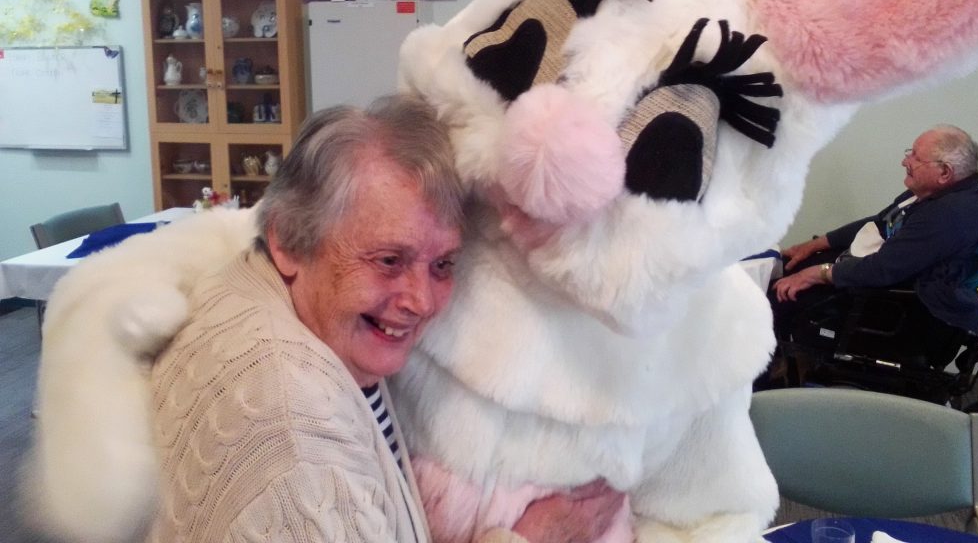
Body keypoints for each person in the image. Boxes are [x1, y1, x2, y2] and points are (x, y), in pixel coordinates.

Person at [140, 95, 625, 543]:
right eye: (389, 260)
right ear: (286, 239)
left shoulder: (253, 294)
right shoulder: (299, 435)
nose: (421, 300)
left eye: (442, 265)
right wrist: (536, 537)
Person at [768, 124, 978, 370]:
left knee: (780, 294)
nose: (905, 161)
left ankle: (768, 376)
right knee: (790, 267)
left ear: (944, 172)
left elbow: (882, 269)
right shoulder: (932, 194)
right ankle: (780, 365)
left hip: (912, 315)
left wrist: (816, 273)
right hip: (892, 285)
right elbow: (879, 224)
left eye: (915, 157)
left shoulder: (949, 215)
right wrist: (814, 245)